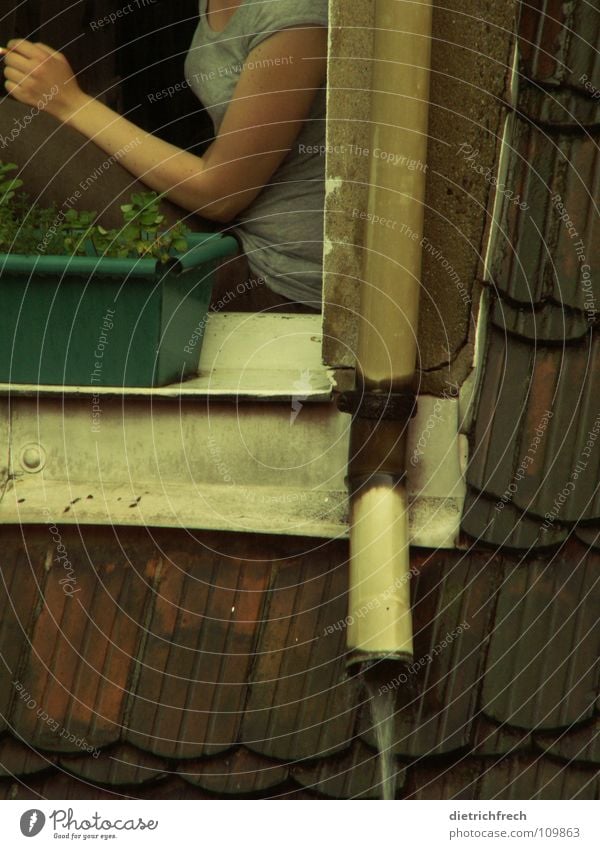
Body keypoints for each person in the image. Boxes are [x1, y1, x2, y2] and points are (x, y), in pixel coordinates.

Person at [0, 0, 328, 313]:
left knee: (7, 127)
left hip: (275, 285)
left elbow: (221, 193)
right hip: (231, 232)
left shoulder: (293, 15)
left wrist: (70, 103)